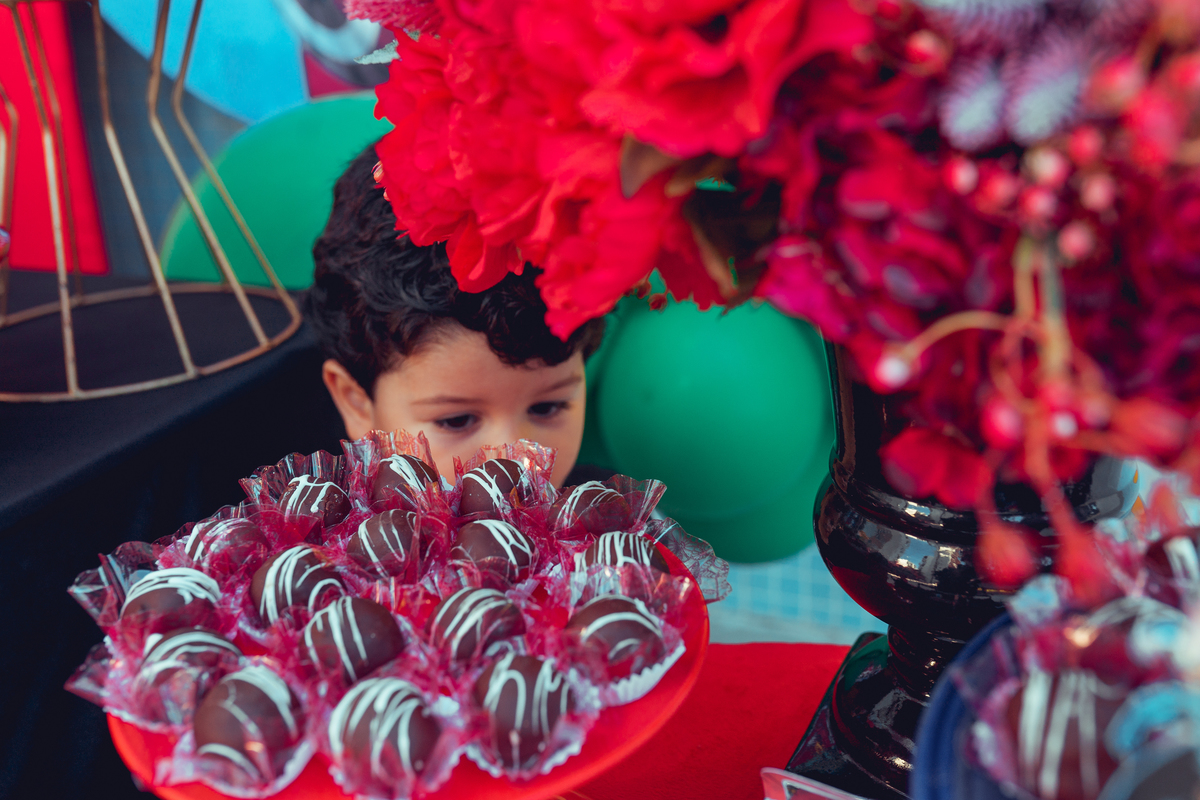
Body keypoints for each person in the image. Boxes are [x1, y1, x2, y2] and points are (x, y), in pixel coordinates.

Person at [304, 144, 606, 488]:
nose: (516, 466)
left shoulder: (624, 529)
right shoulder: (310, 538)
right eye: (458, 420)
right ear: (356, 403)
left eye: (547, 407)